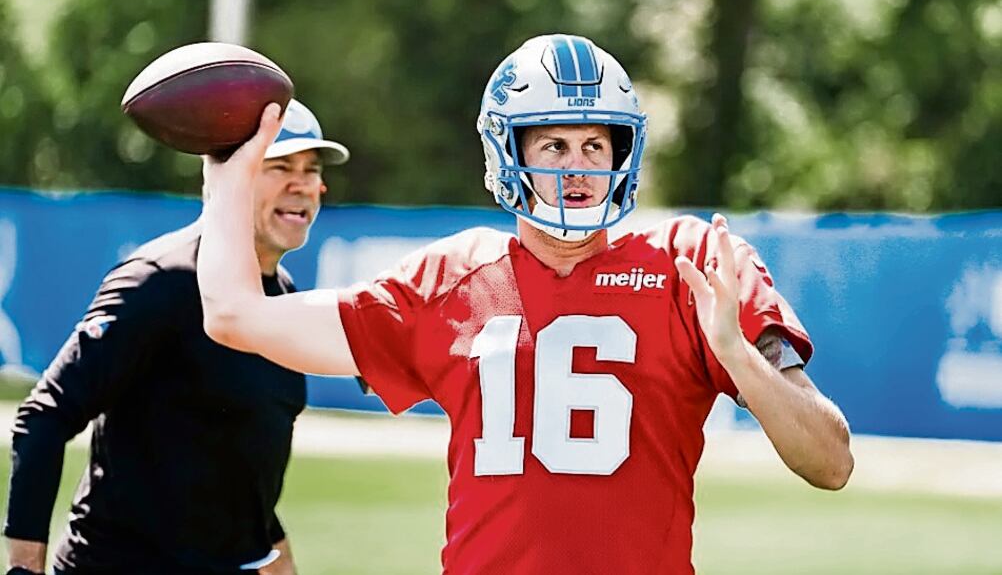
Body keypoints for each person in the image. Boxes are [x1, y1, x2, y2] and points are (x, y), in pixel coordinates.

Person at [197, 35, 853, 574]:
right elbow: (232, 315)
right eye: (554, 146)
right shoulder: (450, 277)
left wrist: (737, 355)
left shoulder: (693, 264)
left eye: (595, 145)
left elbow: (831, 463)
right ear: (507, 154)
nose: (578, 168)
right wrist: (226, 176)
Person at [3, 99, 349, 575]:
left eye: (311, 170)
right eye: (279, 166)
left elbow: (232, 460)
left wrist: (275, 555)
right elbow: (44, 416)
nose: (302, 184)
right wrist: (25, 568)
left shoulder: (280, 299)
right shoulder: (160, 280)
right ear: (231, 175)